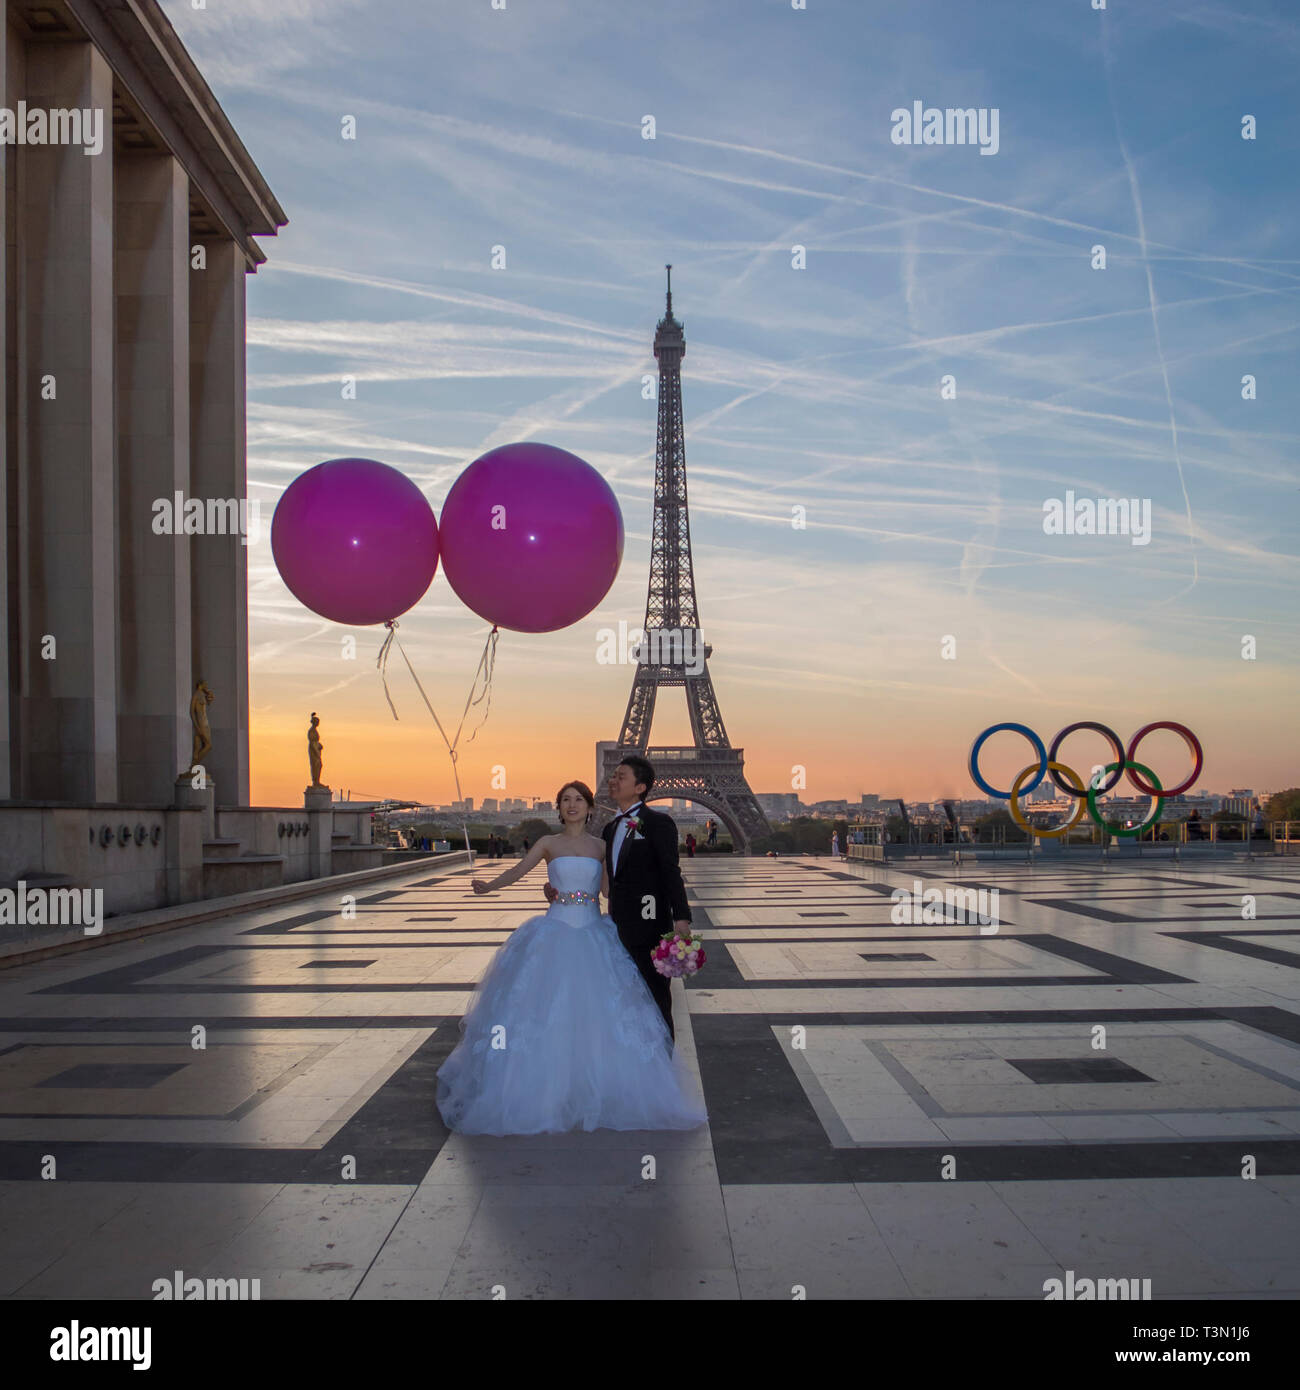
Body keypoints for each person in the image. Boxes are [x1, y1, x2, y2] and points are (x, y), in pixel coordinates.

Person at [435, 779, 706, 1135]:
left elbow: (612, 891)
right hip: (555, 933)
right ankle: (550, 1091)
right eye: (566, 800)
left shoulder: (601, 846)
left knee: (592, 1016)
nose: (572, 805)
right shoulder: (548, 843)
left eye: (578, 799)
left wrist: (660, 906)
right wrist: (489, 886)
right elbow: (519, 871)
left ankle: (591, 1089)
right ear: (559, 808)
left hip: (594, 931)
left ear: (590, 806)